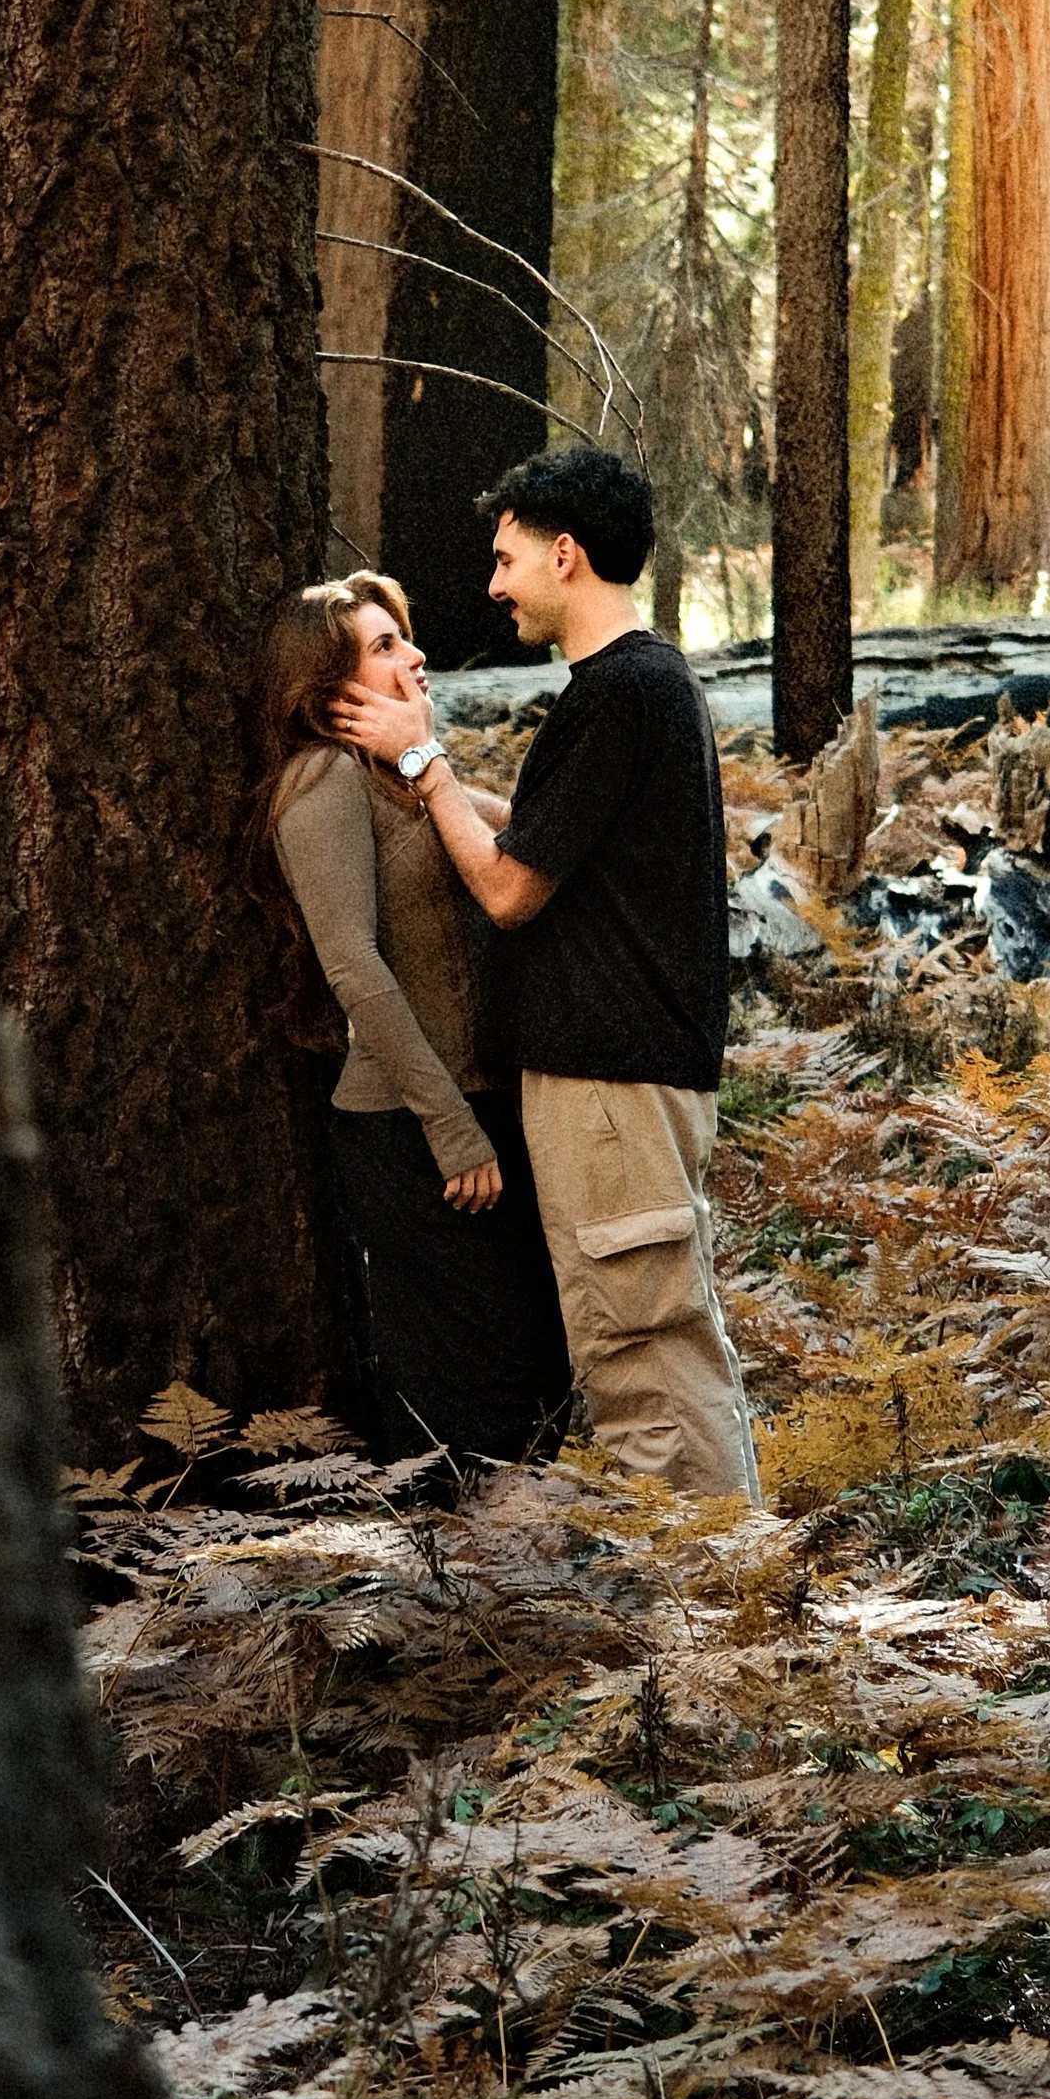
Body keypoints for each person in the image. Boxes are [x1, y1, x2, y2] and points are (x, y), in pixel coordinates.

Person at [332, 448, 761, 1504]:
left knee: (641, 1353)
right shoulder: (631, 690)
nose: (492, 585)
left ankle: (705, 1620)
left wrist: (424, 762)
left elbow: (512, 891)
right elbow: (540, 841)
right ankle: (720, 1602)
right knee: (644, 1340)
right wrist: (418, 770)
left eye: (506, 558)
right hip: (613, 1078)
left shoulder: (623, 694)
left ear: (563, 555)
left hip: (611, 1081)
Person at [249, 574, 570, 1469]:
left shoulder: (405, 777)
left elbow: (526, 844)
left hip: (486, 1111)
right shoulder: (320, 782)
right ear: (329, 688)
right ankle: (457, 1581)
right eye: (384, 647)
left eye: (405, 637)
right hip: (410, 1130)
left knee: (535, 1368)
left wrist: (429, 758)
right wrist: (452, 1130)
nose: (416, 655)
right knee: (465, 1383)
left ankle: (521, 1577)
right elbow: (353, 964)